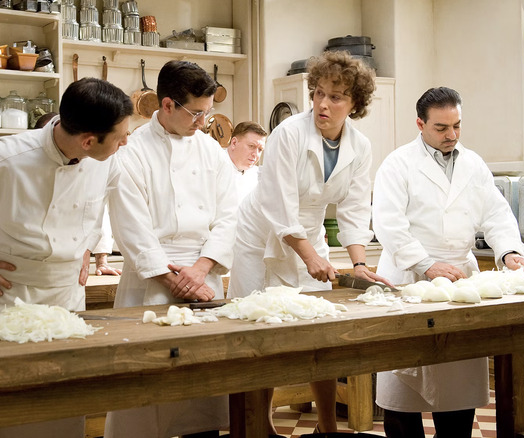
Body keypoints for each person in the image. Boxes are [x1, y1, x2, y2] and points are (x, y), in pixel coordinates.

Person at [0, 77, 132, 437]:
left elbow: (98, 203)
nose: (126, 142)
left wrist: (86, 245)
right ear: (88, 141)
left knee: (59, 409)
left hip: (67, 300)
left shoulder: (107, 160)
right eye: (120, 137)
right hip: (10, 295)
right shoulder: (4, 157)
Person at [227, 50, 391, 434]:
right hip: (260, 234)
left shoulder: (360, 147)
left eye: (336, 97)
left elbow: (353, 208)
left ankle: (327, 427)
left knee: (319, 335)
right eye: (318, 92)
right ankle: (260, 426)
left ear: (355, 103)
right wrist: (309, 257)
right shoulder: (288, 134)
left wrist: (360, 263)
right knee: (258, 332)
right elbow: (278, 202)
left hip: (310, 234)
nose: (322, 103)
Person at [372, 86, 524, 438]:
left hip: (460, 281)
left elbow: (495, 214)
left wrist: (509, 251)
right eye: (441, 128)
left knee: (458, 387)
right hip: (408, 278)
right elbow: (388, 224)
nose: (452, 135)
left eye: (457, 125)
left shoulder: (473, 163)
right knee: (403, 390)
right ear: (420, 124)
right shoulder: (398, 164)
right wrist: (426, 263)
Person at [105, 60, 237, 438]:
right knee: (145, 390)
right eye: (197, 113)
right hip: (150, 279)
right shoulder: (130, 151)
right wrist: (170, 276)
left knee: (203, 391)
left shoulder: (212, 152)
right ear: (166, 105)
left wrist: (200, 269)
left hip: (204, 275)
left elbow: (229, 215)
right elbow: (130, 224)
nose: (203, 122)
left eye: (208, 113)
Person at [226, 121, 267, 203]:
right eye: (251, 146)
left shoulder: (258, 174)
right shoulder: (214, 166)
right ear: (234, 143)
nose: (256, 154)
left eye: (260, 149)